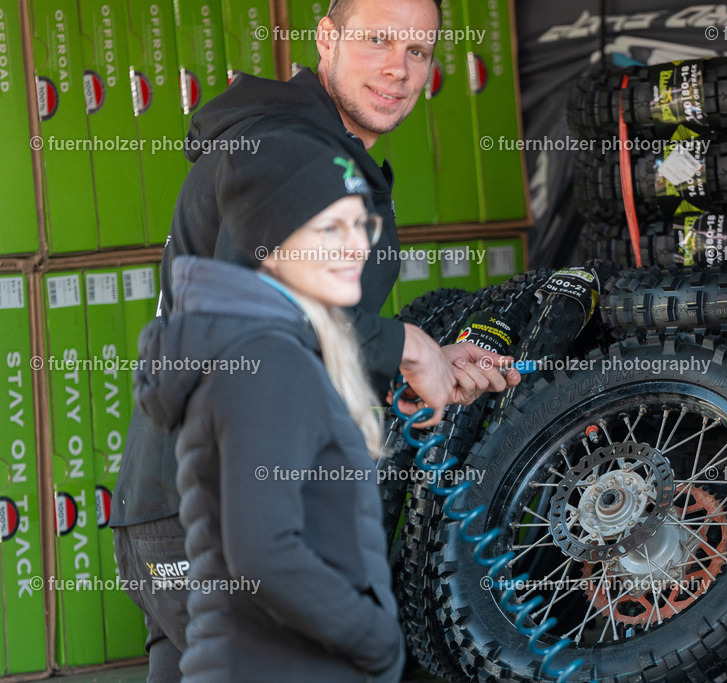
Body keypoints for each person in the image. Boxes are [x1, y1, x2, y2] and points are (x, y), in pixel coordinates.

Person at [110, 0, 520, 678]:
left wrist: (420, 365)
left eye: (418, 51)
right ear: (327, 39)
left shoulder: (300, 147)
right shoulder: (283, 148)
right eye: (379, 40)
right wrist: (411, 347)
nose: (399, 66)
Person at [129, 153, 403, 681]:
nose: (356, 245)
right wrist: (375, 639)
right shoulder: (270, 362)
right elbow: (263, 551)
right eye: (329, 227)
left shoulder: (267, 347)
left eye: (361, 223)